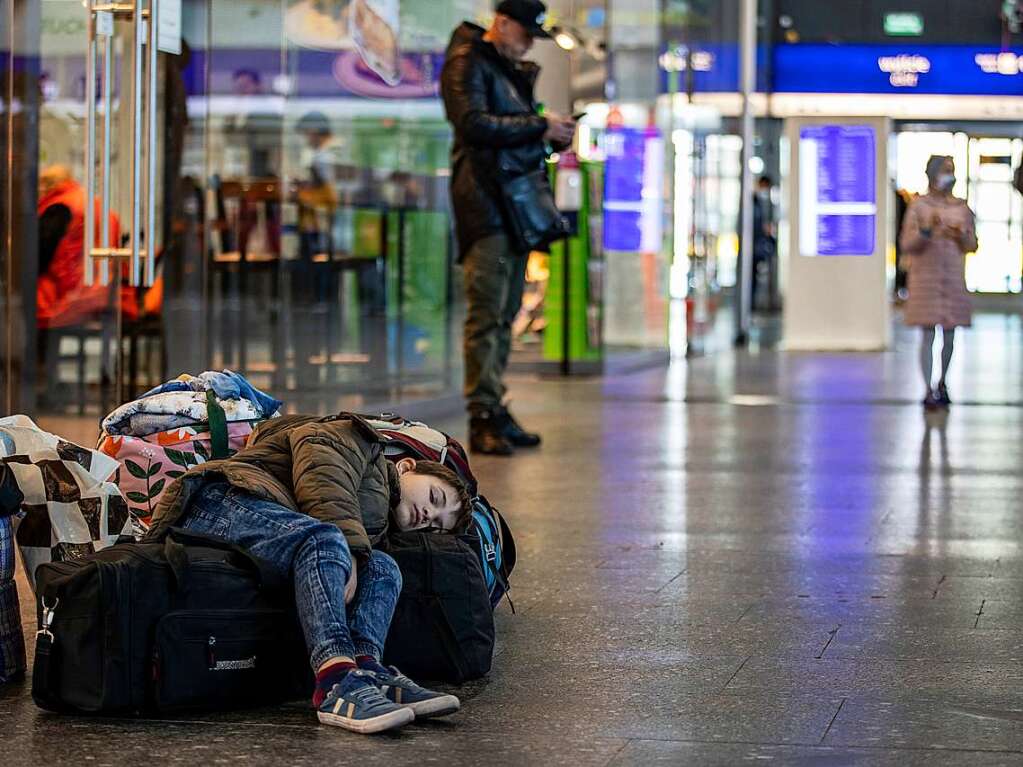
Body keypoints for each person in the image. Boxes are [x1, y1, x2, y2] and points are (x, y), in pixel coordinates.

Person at [147, 413, 472, 734]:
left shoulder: (379, 520)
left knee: (385, 568)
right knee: (325, 540)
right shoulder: (359, 439)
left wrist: (358, 552)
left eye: (436, 525)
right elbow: (321, 469)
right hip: (222, 500)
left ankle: (366, 670)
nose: (428, 515)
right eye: (434, 497)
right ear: (406, 466)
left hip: (269, 520)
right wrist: (350, 547)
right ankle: (336, 681)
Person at [440, 0, 576, 456]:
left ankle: (494, 405)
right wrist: (540, 126)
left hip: (509, 207)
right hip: (487, 206)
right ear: (501, 23)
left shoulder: (498, 66)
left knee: (503, 314)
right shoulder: (468, 62)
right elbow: (473, 124)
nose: (525, 45)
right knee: (488, 314)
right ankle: (482, 414)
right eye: (523, 34)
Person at [899, 155, 977, 410]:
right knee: (928, 334)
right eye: (945, 170)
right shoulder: (918, 207)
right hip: (925, 280)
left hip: (952, 278)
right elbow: (907, 244)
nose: (949, 176)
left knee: (950, 334)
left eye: (952, 171)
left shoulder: (962, 208)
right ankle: (927, 388)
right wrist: (927, 231)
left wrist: (959, 236)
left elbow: (972, 244)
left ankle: (943, 382)